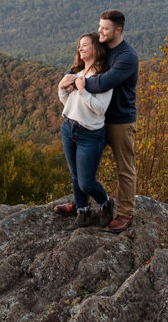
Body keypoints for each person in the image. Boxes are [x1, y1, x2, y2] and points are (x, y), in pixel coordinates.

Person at [56, 10, 138, 233]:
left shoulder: (126, 56)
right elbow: (83, 63)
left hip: (119, 119)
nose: (100, 31)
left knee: (125, 169)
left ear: (118, 30)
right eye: (99, 27)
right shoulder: (101, 47)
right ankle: (81, 204)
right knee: (82, 169)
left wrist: (79, 82)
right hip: (91, 119)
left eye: (105, 28)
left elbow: (102, 83)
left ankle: (124, 213)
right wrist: (72, 77)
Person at [55, 32, 117, 228]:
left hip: (90, 134)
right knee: (75, 176)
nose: (80, 48)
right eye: (79, 45)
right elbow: (68, 103)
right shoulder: (77, 73)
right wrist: (61, 88)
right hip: (69, 127)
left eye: (84, 45)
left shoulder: (104, 77)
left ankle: (106, 203)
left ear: (96, 49)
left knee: (86, 182)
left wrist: (82, 91)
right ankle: (83, 212)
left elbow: (100, 109)